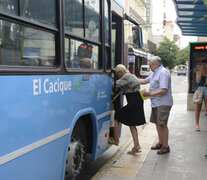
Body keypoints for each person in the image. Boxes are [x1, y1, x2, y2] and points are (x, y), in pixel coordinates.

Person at [139, 56, 173, 155]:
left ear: (155, 64)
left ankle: (165, 146)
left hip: (163, 102)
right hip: (156, 103)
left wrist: (150, 94)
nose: (149, 67)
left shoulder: (163, 72)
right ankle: (160, 142)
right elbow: (145, 81)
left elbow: (164, 89)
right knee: (158, 123)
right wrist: (130, 79)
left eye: (150, 65)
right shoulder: (155, 73)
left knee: (162, 124)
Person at [109, 64, 146, 155]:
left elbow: (114, 85)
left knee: (116, 116)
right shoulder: (132, 75)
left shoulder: (126, 77)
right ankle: (136, 146)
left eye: (117, 74)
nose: (117, 76)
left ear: (121, 72)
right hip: (137, 101)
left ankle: (116, 140)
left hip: (133, 102)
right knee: (131, 124)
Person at [194, 60, 207, 131]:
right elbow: (198, 81)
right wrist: (201, 70)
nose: (204, 66)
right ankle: (197, 124)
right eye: (203, 64)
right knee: (198, 107)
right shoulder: (198, 71)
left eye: (205, 64)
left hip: (206, 89)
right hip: (200, 89)